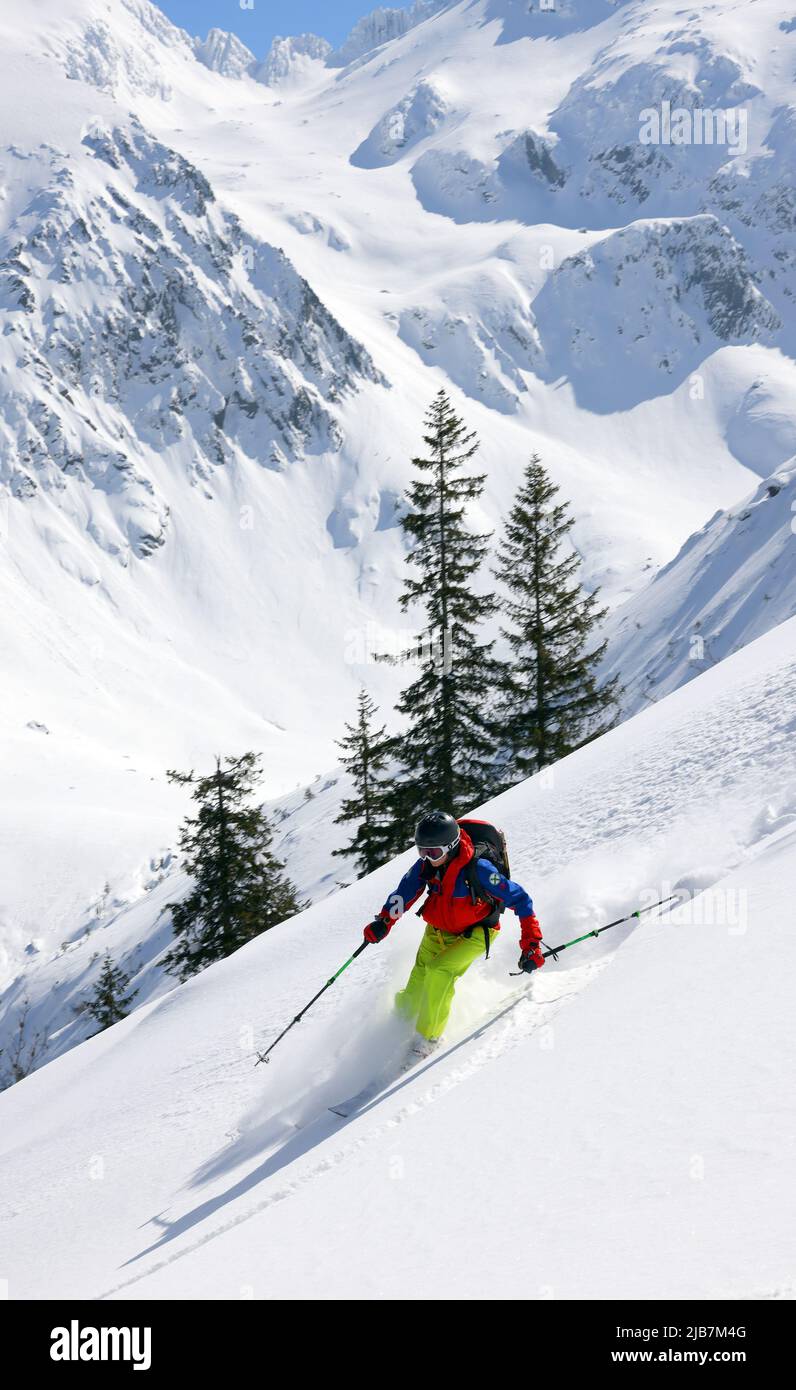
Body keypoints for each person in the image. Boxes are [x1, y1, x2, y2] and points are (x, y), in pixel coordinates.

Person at [363, 810, 544, 1055]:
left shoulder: (480, 869)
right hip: (437, 932)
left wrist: (531, 944)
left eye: (433, 852)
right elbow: (404, 892)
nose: (427, 857)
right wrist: (384, 922)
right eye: (422, 851)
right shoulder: (427, 865)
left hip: (478, 933)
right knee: (414, 992)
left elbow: (521, 899)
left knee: (439, 972)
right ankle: (396, 1027)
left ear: (452, 845)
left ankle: (428, 1040)